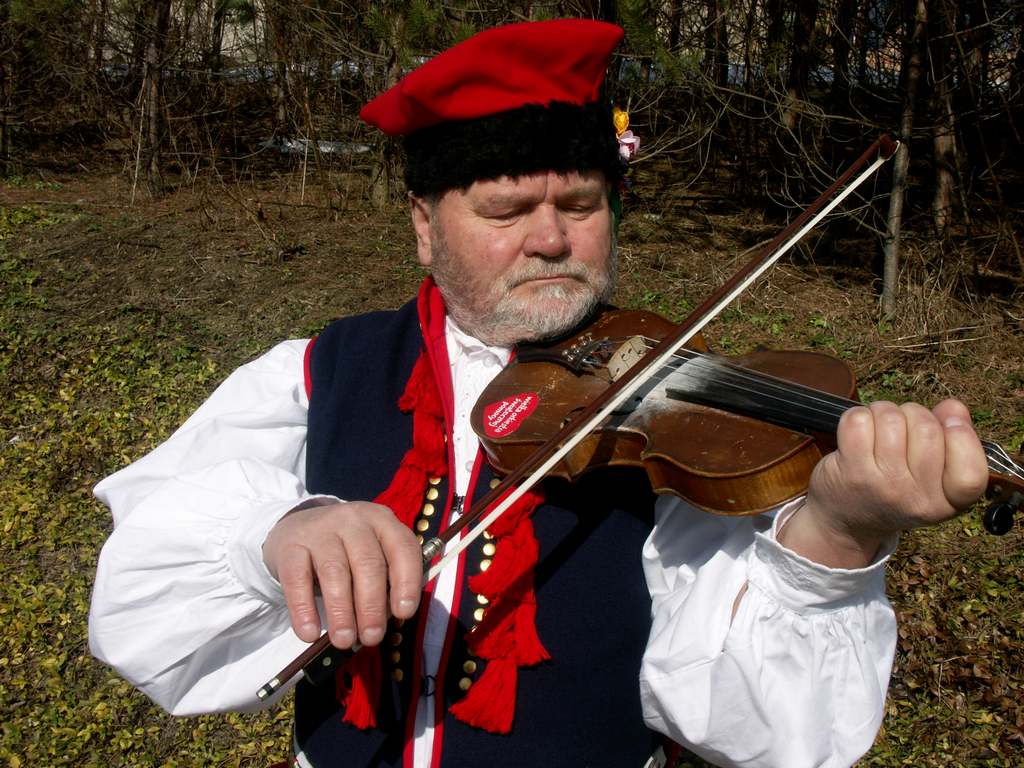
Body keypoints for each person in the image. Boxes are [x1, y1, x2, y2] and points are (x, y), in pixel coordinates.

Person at [89, 18, 989, 768]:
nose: (552, 240)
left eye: (582, 204)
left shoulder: (682, 420)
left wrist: (837, 535)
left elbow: (757, 730)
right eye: (506, 211)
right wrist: (274, 535)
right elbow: (147, 579)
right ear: (424, 226)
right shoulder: (318, 371)